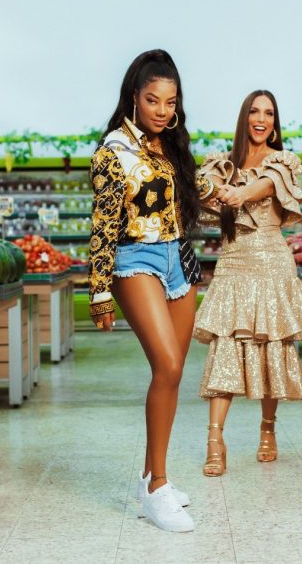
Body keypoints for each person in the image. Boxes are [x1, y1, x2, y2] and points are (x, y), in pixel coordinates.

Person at [88, 49, 215, 531]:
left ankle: (150, 479)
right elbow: (102, 227)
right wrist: (99, 291)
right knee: (166, 364)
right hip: (133, 258)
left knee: (175, 371)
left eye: (171, 102)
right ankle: (157, 487)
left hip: (178, 258)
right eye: (153, 100)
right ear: (134, 99)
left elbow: (186, 205)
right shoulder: (112, 152)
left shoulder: (173, 146)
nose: (162, 110)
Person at [193, 89, 302, 477]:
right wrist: (203, 188)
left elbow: (261, 188)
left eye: (269, 113)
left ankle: (268, 431)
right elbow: (204, 196)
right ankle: (214, 440)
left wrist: (233, 193)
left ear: (275, 121)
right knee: (225, 348)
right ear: (244, 116)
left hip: (271, 262)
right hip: (234, 262)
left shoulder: (281, 162)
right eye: (254, 111)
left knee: (269, 347)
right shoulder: (221, 163)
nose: (261, 118)